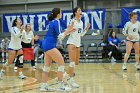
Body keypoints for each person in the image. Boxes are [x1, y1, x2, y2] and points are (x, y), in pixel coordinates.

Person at [39, 8, 76, 92]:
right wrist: (69, 30)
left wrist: (69, 31)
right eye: (61, 12)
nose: (61, 13)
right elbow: (60, 36)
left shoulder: (52, 22)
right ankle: (61, 86)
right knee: (61, 64)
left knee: (47, 67)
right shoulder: (56, 21)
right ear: (58, 14)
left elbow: (59, 34)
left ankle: (43, 86)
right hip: (50, 45)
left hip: (45, 44)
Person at [66, 6, 90, 88]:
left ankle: (67, 75)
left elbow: (81, 35)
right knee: (72, 63)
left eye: (81, 10)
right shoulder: (72, 21)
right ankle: (69, 79)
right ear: (75, 13)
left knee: (76, 63)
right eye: (79, 10)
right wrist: (70, 30)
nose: (81, 11)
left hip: (78, 43)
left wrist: (86, 29)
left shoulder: (81, 22)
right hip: (71, 43)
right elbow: (67, 32)